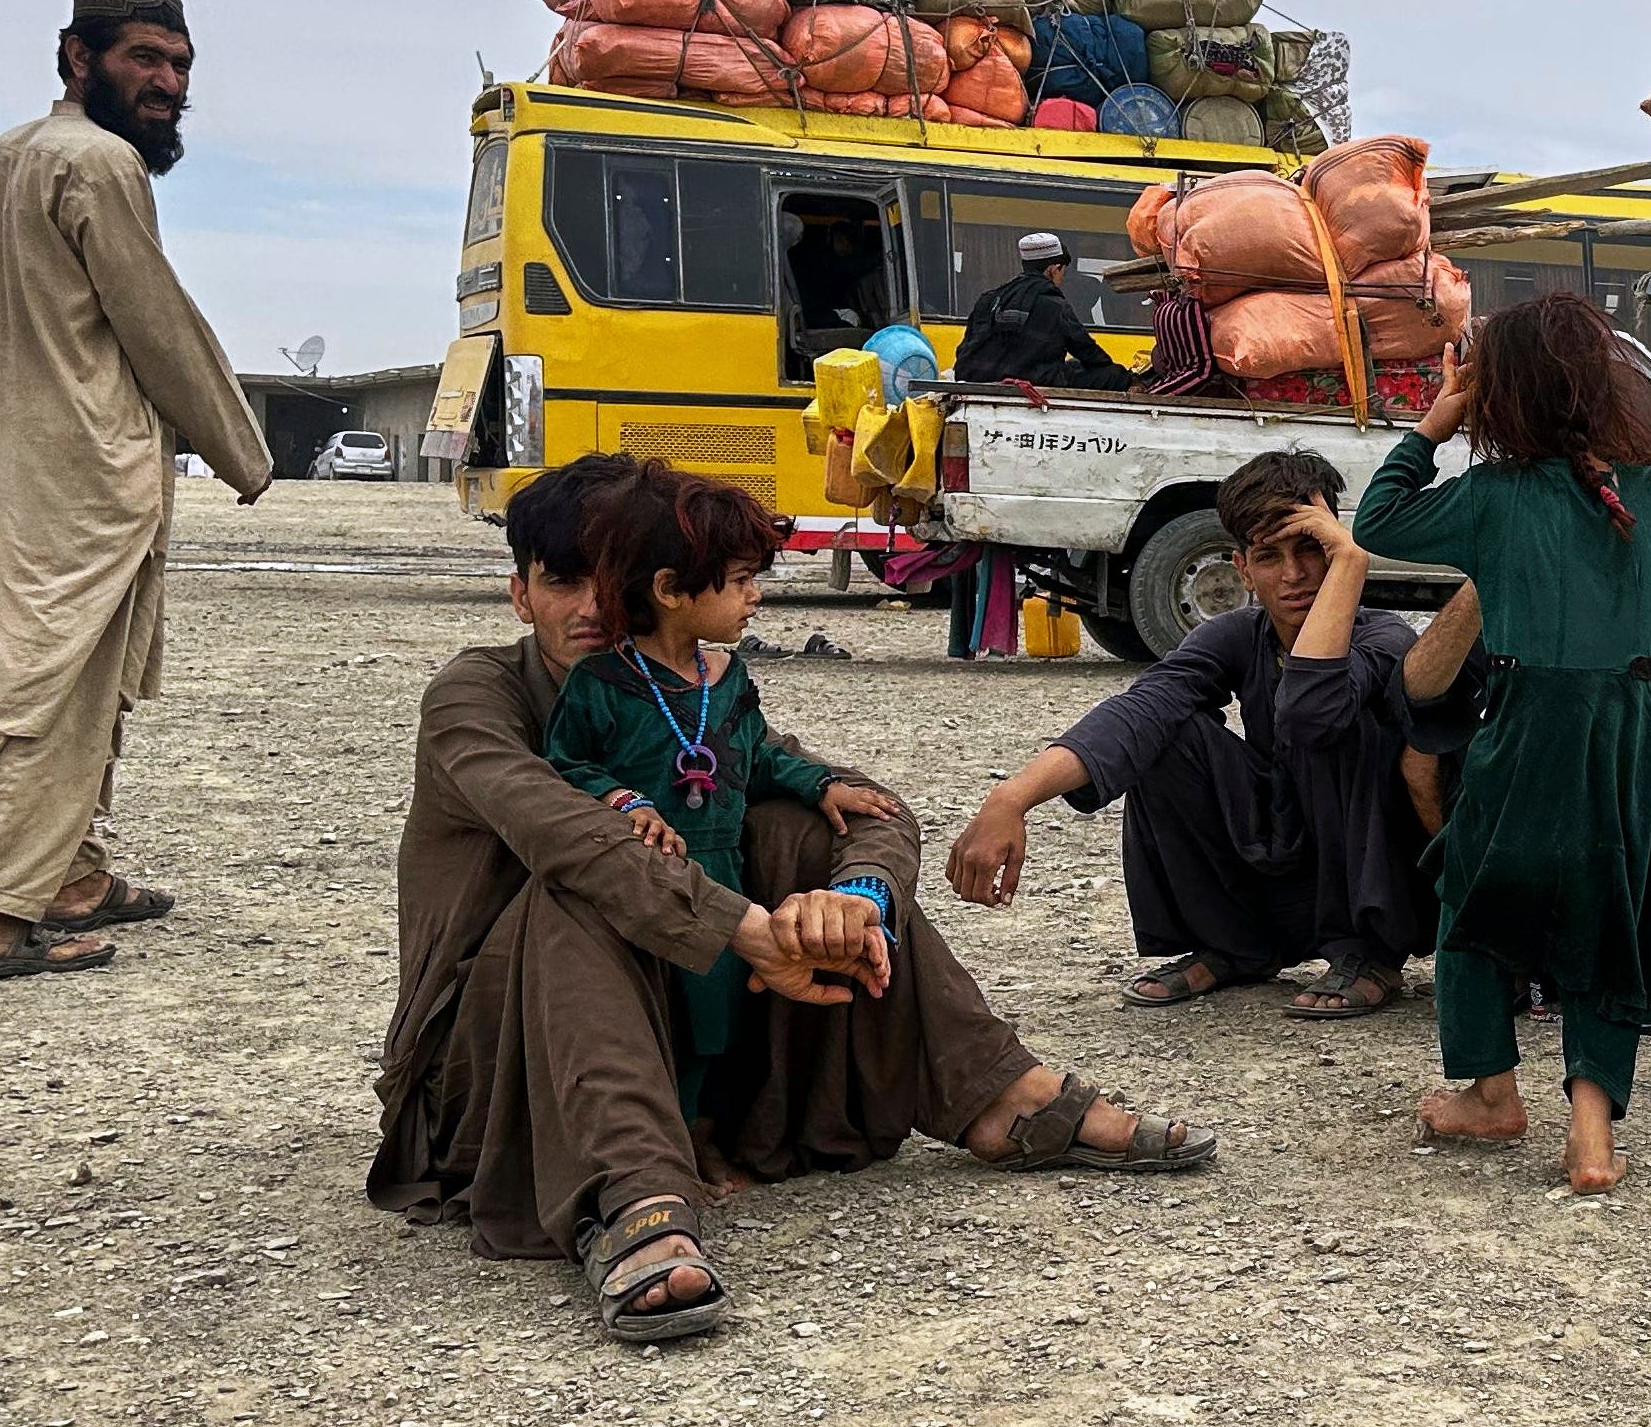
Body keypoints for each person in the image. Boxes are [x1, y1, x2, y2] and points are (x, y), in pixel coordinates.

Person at [374, 453, 1213, 1347]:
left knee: (798, 828)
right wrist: (746, 927)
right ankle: (631, 1194)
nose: (591, 606)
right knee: (592, 870)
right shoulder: (476, 698)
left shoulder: (680, 693)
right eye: (563, 582)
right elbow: (560, 829)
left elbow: (862, 797)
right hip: (502, 1060)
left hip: (686, 1021)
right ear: (519, 595)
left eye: (608, 577)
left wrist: (852, 899)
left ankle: (1004, 1098)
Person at [0, 0, 271, 982]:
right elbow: (156, 320)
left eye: (180, 65)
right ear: (76, 57)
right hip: (79, 475)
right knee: (49, 686)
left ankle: (68, 875)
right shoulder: (100, 164)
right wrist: (243, 449)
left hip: (7, 470)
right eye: (144, 59)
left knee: (63, 673)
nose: (167, 83)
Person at [1353, 297, 1651, 1195]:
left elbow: (1377, 521)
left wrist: (1434, 422)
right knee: (1611, 912)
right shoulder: (1647, 494)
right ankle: (1592, 1134)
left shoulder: (1491, 497)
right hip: (1626, 735)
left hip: (1524, 732)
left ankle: (1493, 1095)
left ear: (1499, 396)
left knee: (1474, 901)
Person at [948, 450, 1481, 1020]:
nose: (1294, 575)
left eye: (1311, 550)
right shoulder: (1235, 635)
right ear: (1242, 568)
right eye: (1269, 557)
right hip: (1291, 865)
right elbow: (1141, 710)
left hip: (1379, 882)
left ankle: (1371, 955)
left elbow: (1309, 714)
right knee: (1166, 733)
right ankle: (1234, 945)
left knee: (1336, 721)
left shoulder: (1386, 639)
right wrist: (1012, 799)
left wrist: (1352, 561)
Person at [540, 459, 909, 1138]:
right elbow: (563, 766)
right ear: (671, 589)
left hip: (730, 877)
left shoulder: (728, 678)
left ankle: (713, 1141)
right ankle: (666, 1153)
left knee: (725, 1021)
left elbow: (757, 756)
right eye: (740, 581)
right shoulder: (602, 682)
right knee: (665, 1025)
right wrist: (625, 801)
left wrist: (820, 784)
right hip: (651, 884)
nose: (754, 598)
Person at [952, 232, 1132, 391]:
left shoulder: (989, 299)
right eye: (1063, 272)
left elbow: (966, 348)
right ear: (1053, 269)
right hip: (1034, 380)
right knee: (1114, 374)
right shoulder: (1053, 304)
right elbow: (1087, 352)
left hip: (977, 378)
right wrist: (1109, 368)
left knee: (1074, 366)